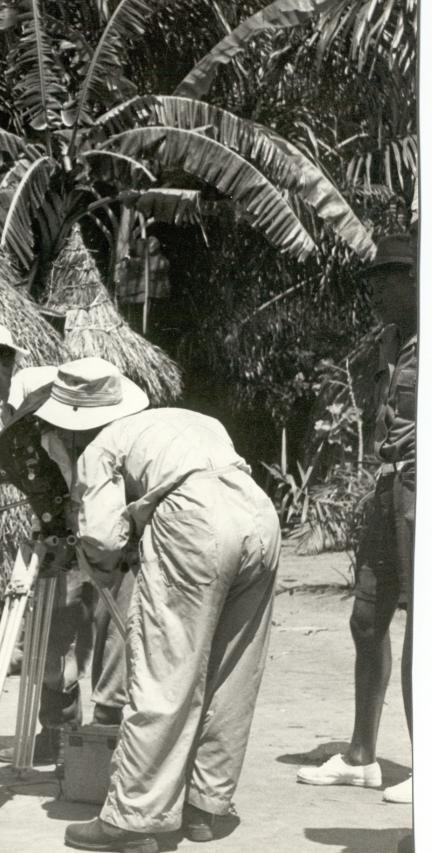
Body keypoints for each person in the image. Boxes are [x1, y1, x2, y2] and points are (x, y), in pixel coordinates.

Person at [30, 358, 280, 853]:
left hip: (193, 521)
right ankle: (207, 805)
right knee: (234, 668)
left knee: (166, 671)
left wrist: (108, 558)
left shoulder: (101, 446)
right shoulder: (189, 419)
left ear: (76, 419)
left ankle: (137, 817)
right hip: (259, 516)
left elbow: (100, 539)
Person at [0, 323, 100, 764]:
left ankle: (88, 747)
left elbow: (77, 465)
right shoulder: (15, 408)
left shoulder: (45, 394)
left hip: (87, 537)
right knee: (48, 641)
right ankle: (57, 734)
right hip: (56, 537)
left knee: (73, 641)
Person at [296, 233, 416, 806]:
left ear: (416, 278)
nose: (376, 292)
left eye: (386, 279)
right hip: (391, 481)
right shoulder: (391, 340)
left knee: (426, 630)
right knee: (367, 618)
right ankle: (363, 755)